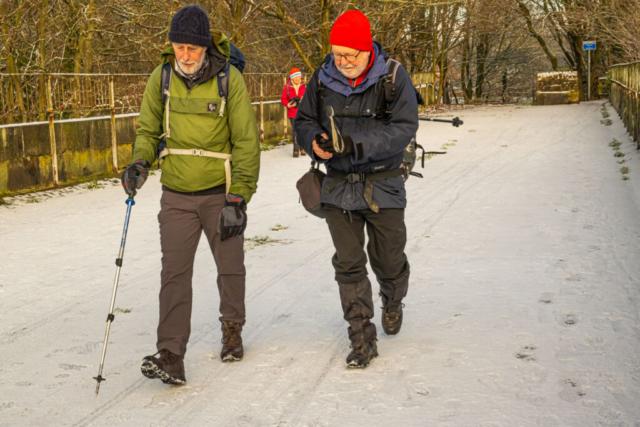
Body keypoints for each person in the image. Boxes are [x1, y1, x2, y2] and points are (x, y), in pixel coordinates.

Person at [120, 4, 260, 385]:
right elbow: (148, 131)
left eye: (191, 49)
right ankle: (170, 353)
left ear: (205, 48)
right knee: (174, 274)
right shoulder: (160, 79)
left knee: (229, 266)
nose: (184, 55)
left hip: (221, 191)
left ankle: (232, 327)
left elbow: (247, 140)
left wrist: (240, 195)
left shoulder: (230, 79)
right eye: (178, 47)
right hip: (177, 194)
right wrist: (140, 163)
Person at [294, 10, 419, 368]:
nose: (343, 61)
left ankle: (392, 298)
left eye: (350, 54)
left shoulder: (393, 76)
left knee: (388, 259)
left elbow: (403, 128)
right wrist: (312, 141)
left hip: (384, 184)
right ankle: (361, 336)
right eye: (337, 54)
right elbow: (303, 120)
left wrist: (353, 143)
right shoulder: (321, 78)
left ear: (368, 51)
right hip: (337, 187)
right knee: (348, 264)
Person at [281, 68, 307, 157]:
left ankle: (302, 148)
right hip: (292, 112)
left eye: (299, 76)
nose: (298, 78)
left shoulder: (305, 86)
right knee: (296, 130)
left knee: (303, 129)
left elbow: (311, 97)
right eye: (296, 77)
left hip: (303, 112)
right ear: (292, 78)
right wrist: (288, 104)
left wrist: (304, 99)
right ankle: (296, 150)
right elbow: (283, 99)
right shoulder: (287, 87)